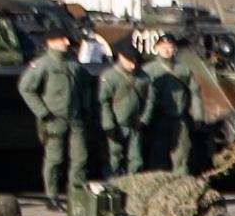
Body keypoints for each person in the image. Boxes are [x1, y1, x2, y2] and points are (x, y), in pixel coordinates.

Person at [17, 29, 91, 204]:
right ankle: (52, 196)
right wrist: (42, 112)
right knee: (54, 159)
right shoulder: (43, 64)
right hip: (53, 118)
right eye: (62, 39)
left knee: (80, 157)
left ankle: (77, 195)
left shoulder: (74, 65)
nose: (67, 42)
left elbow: (86, 85)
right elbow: (26, 88)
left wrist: (85, 107)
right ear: (51, 42)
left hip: (75, 117)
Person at [145, 34, 202, 173]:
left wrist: (198, 115)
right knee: (158, 156)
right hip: (158, 119)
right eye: (164, 47)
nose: (167, 50)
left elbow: (195, 92)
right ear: (157, 48)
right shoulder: (149, 70)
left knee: (182, 155)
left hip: (179, 119)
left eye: (170, 47)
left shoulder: (184, 69)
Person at [98, 41, 155, 178]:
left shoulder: (143, 77)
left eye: (135, 60)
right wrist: (109, 125)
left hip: (135, 124)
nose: (133, 64)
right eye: (130, 60)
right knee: (115, 158)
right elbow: (104, 102)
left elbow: (150, 100)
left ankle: (132, 186)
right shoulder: (110, 76)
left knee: (136, 159)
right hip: (116, 124)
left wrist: (144, 120)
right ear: (121, 57)